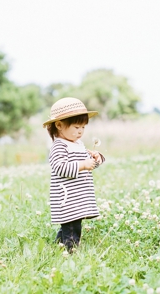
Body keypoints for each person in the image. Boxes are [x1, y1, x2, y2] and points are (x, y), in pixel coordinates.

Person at [43, 97, 104, 253]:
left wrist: (96, 159)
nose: (80, 131)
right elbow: (59, 168)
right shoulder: (59, 146)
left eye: (83, 127)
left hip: (79, 194)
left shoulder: (78, 144)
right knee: (71, 223)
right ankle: (71, 249)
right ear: (59, 125)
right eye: (76, 126)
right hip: (67, 195)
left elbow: (87, 166)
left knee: (73, 222)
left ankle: (59, 244)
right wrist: (82, 165)